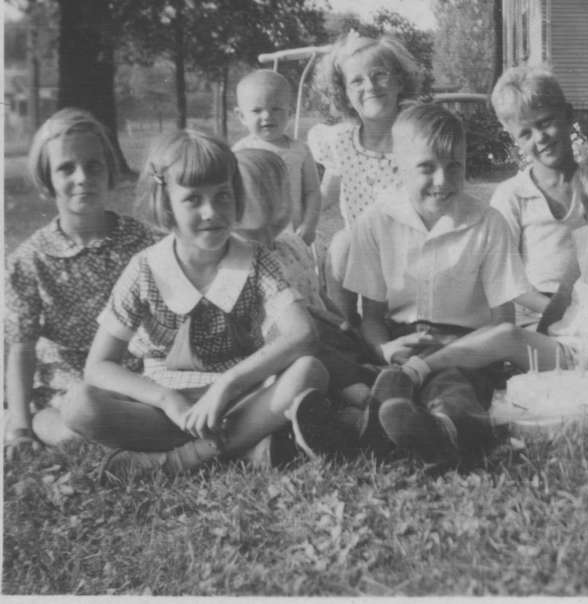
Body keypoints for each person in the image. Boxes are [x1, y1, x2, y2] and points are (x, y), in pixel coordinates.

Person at [60, 130, 342, 477]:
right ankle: (248, 448)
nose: (212, 212)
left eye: (222, 196)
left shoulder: (255, 261)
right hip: (168, 409)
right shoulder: (146, 269)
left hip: (241, 400)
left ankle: (181, 460)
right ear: (166, 205)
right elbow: (98, 366)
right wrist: (167, 399)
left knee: (310, 372)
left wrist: (226, 385)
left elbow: (303, 334)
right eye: (193, 199)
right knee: (79, 406)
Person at [382, 148, 588, 415]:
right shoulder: (586, 245)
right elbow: (561, 302)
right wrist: (538, 336)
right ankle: (414, 371)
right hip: (567, 352)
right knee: (506, 333)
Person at [333, 103, 530, 469]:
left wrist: (462, 354)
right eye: (427, 167)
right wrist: (386, 349)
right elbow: (372, 317)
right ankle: (393, 426)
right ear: (397, 167)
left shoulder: (487, 224)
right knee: (380, 383)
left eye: (454, 166)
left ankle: (446, 433)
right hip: (401, 342)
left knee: (453, 390)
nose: (443, 180)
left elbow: (503, 325)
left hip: (464, 348)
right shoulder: (376, 223)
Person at [4, 109, 158, 459]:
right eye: (66, 168)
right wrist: (20, 426)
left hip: (135, 380)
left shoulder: (143, 242)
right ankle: (130, 449)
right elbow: (21, 351)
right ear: (47, 178)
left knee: (147, 415)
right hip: (66, 391)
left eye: (93, 165)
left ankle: (131, 444)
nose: (82, 177)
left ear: (109, 170)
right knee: (61, 426)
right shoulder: (30, 260)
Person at [234, 148, 373, 409]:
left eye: (284, 193)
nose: (282, 204)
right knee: (314, 348)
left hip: (326, 333)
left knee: (353, 340)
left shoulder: (292, 244)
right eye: (265, 195)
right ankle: (362, 395)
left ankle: (365, 381)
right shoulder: (240, 260)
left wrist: (342, 321)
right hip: (286, 347)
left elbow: (317, 291)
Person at [307, 31, 423, 324]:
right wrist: (294, 211)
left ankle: (401, 326)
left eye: (379, 75)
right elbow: (325, 198)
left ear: (398, 81)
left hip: (414, 243)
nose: (370, 86)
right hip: (362, 249)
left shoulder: (418, 131)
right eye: (356, 81)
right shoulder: (341, 140)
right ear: (343, 92)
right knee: (341, 244)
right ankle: (346, 327)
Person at [488, 65, 587, 326]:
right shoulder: (512, 195)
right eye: (526, 133)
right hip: (535, 313)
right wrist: (560, 312)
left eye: (545, 123)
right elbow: (502, 275)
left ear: (568, 114)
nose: (540, 138)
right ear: (514, 139)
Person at [232, 69, 321, 246]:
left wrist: (309, 225)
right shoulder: (239, 152)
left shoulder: (300, 150)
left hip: (294, 235)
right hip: (251, 235)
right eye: (257, 110)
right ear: (242, 116)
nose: (267, 116)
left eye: (276, 109)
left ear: (290, 112)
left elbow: (313, 192)